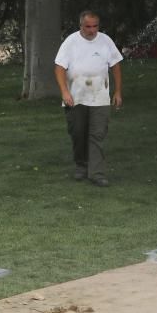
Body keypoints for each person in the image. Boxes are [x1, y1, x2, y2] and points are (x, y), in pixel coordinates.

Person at [54, 10, 123, 187]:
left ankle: (97, 173)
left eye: (95, 26)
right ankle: (81, 165)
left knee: (97, 134)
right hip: (76, 96)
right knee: (78, 132)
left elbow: (115, 66)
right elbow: (59, 68)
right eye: (88, 26)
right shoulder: (71, 42)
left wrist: (117, 92)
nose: (92, 30)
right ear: (81, 26)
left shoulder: (106, 41)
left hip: (100, 95)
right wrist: (64, 92)